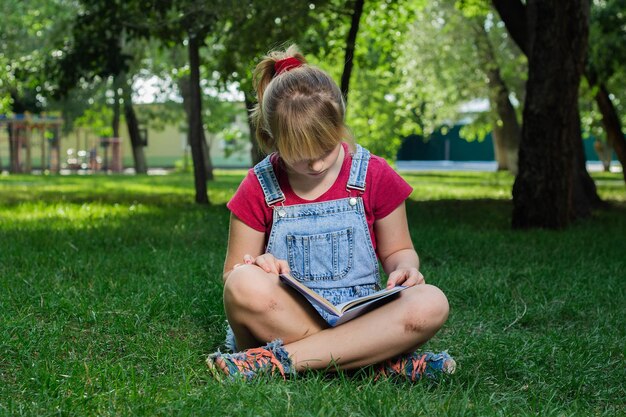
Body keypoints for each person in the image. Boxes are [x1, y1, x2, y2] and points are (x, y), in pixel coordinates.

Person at [207, 45, 455, 381]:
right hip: (286, 319)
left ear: (339, 124)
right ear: (271, 138)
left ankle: (275, 362)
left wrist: (406, 269)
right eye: (300, 157)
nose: (317, 164)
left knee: (431, 302)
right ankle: (374, 363)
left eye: (325, 149)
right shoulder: (258, 185)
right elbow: (232, 277)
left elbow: (399, 251)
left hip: (360, 316)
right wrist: (258, 265)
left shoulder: (374, 175)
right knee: (243, 284)